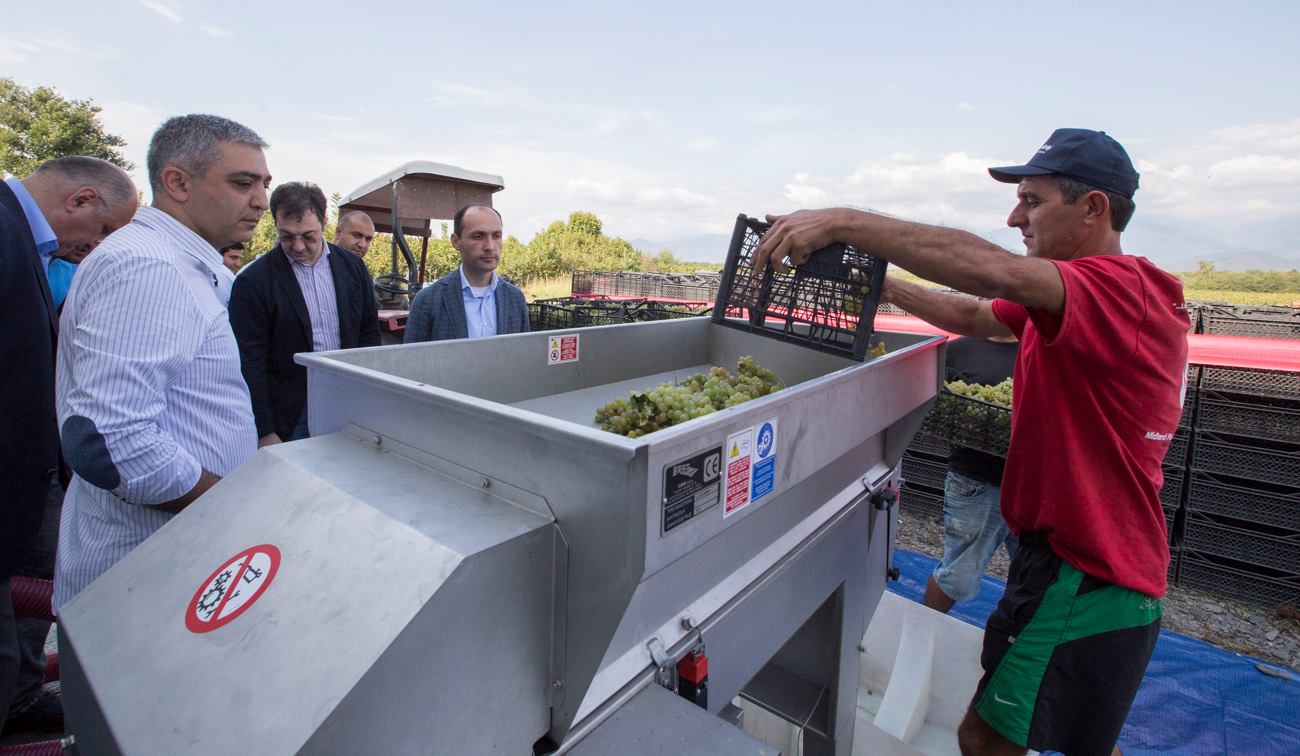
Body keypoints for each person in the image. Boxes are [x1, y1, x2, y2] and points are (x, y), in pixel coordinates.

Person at [755, 129, 1188, 756]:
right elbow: (977, 314)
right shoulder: (1075, 299)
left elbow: (991, 270)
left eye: (1032, 201)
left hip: (1087, 571)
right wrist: (887, 288)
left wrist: (841, 221)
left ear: (1093, 208)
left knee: (985, 740)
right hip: (1067, 562)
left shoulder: (1118, 289)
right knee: (1072, 734)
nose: (1015, 218)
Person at [54, 114, 269, 611]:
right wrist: (232, 502)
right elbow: (109, 441)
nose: (261, 200)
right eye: (243, 183)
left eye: (264, 184)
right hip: (145, 573)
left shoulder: (186, 265)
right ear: (178, 183)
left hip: (178, 559)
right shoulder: (148, 266)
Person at [1, 155, 136, 734]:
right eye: (104, 230)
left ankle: (20, 699)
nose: (98, 246)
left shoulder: (25, 240)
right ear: (81, 199)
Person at [228, 182, 380, 446]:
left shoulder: (353, 269)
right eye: (287, 236)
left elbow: (369, 337)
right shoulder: (254, 281)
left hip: (348, 403)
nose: (298, 247)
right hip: (290, 415)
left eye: (309, 236)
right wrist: (265, 430)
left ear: (324, 223)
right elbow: (249, 362)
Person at [922, 335, 1019, 615]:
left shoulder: (1040, 350)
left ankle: (1010, 638)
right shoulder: (957, 350)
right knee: (957, 579)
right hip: (975, 482)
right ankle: (923, 628)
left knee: (1034, 582)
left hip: (1030, 488)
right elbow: (930, 414)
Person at [404, 204, 528, 342]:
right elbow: (413, 355)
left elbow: (524, 352)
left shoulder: (515, 298)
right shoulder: (428, 301)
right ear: (456, 241)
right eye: (478, 236)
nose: (490, 246)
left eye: (496, 236)